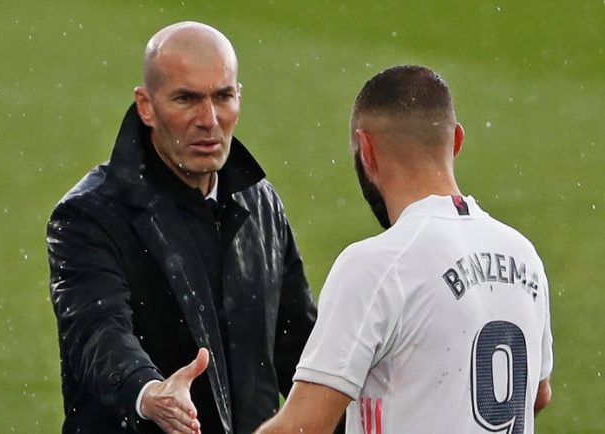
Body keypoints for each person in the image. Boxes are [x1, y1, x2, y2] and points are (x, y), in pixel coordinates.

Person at [47, 21, 317, 434]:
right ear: (146, 106)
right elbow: (97, 332)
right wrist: (148, 391)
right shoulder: (88, 215)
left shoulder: (260, 202)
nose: (209, 119)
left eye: (222, 96)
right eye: (186, 99)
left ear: (239, 97)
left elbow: (298, 347)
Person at [255, 65, 553, 434]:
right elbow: (537, 394)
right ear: (456, 140)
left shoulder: (376, 265)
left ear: (366, 150)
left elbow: (302, 426)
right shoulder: (523, 254)